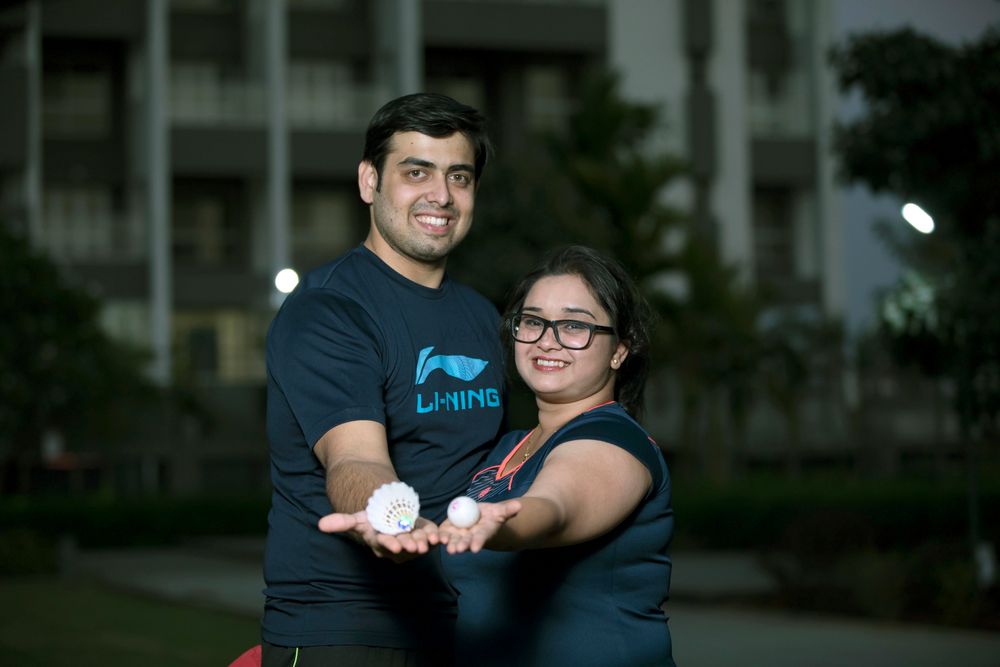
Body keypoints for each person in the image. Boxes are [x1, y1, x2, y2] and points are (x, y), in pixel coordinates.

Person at [261, 92, 507, 667]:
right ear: (369, 182)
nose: (440, 196)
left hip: (459, 627)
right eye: (415, 172)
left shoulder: (481, 316)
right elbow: (354, 459)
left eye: (459, 176)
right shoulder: (327, 311)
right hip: (342, 631)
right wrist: (389, 517)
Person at [437, 245, 675, 667]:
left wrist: (502, 522)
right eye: (533, 322)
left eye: (573, 326)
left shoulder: (615, 440)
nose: (548, 340)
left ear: (620, 349)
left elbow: (557, 505)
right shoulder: (507, 447)